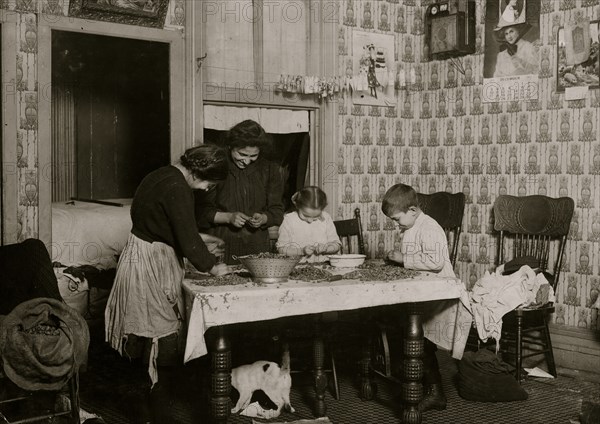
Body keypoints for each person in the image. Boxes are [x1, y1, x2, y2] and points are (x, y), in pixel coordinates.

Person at [104, 144, 230, 424]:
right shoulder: (179, 189)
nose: (209, 189)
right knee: (163, 337)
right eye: (210, 182)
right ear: (200, 172)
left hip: (140, 252)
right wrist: (212, 266)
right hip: (152, 262)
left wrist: (199, 243)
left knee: (150, 336)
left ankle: (149, 408)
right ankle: (157, 414)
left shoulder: (161, 174)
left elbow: (166, 225)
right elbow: (187, 239)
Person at [382, 184, 471, 413]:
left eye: (396, 218)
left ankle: (434, 392)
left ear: (412, 210)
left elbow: (436, 263)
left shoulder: (430, 228)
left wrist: (404, 259)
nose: (395, 224)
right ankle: (424, 386)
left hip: (440, 291)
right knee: (414, 336)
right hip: (424, 290)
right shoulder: (412, 226)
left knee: (422, 339)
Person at [195, 120, 285, 264]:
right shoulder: (217, 166)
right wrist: (228, 217)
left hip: (257, 248)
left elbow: (277, 211)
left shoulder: (270, 170)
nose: (247, 161)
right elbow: (200, 212)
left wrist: (264, 218)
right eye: (242, 154)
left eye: (253, 156)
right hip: (220, 245)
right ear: (231, 146)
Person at [276, 186, 341, 263]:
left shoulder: (326, 218)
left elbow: (337, 245)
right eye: (306, 215)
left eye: (316, 216)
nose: (310, 220)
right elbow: (281, 249)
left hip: (324, 265)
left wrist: (327, 248)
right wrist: (302, 251)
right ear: (297, 205)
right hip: (296, 267)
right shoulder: (289, 220)